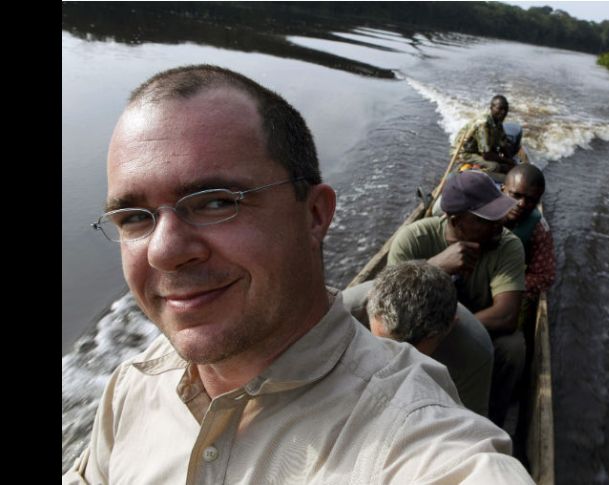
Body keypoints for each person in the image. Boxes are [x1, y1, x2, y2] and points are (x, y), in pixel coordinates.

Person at [64, 64, 534, 484]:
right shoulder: (131, 387)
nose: (164, 252)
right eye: (133, 217)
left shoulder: (415, 438)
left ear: (314, 215)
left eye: (216, 202)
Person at [387, 169, 527, 429]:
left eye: (500, 213)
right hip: (420, 334)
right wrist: (434, 268)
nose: (501, 222)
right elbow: (389, 314)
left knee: (513, 347)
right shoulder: (413, 240)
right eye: (488, 218)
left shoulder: (507, 245)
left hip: (476, 332)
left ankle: (490, 420)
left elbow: (506, 315)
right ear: (456, 220)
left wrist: (448, 328)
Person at [342, 261, 494, 417]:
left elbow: (467, 424)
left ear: (448, 328)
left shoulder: (475, 352)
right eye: (384, 344)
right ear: (369, 306)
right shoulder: (340, 314)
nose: (393, 360)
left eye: (407, 350)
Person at [501, 163, 556, 466]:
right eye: (515, 196)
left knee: (515, 347)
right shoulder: (483, 209)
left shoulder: (537, 227)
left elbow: (545, 276)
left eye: (531, 200)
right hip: (474, 281)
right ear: (503, 191)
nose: (522, 205)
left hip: (514, 293)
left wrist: (510, 284)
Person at [452, 95, 518, 182]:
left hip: (479, 150)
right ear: (491, 108)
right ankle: (471, 174)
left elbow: (503, 143)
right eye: (500, 109)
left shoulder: (497, 121)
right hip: (465, 152)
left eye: (505, 109)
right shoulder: (483, 124)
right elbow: (486, 155)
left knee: (504, 163)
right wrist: (507, 161)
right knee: (494, 166)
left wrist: (510, 160)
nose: (503, 112)